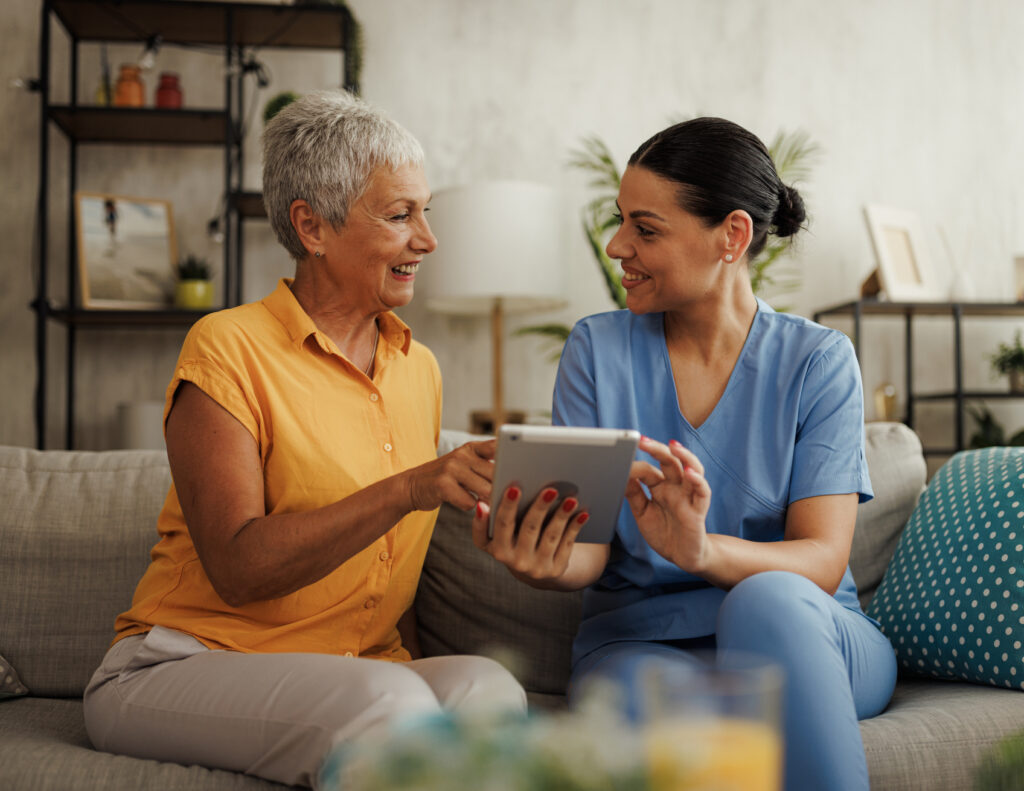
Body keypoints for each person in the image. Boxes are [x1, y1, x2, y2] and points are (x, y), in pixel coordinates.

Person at [83, 90, 525, 789]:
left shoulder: (420, 367)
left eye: (426, 211)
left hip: (355, 670)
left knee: (490, 691)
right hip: (183, 663)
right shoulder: (227, 346)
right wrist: (409, 488)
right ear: (312, 227)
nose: (428, 239)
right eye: (399, 214)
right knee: (392, 704)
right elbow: (239, 568)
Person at [475, 117, 897, 791]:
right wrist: (541, 558)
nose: (617, 246)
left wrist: (702, 551)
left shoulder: (817, 361)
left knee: (766, 603)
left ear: (731, 236)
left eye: (645, 228)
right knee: (655, 708)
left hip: (810, 637)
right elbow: (586, 552)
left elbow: (820, 560)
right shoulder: (596, 351)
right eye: (621, 222)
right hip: (644, 646)